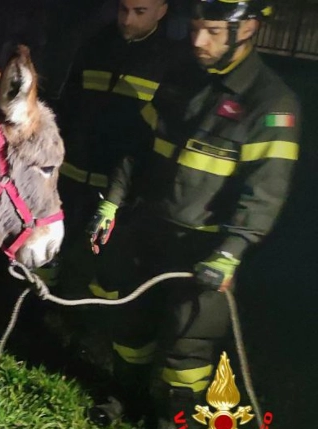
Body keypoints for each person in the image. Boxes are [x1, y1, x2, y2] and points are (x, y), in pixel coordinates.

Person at [85, 0, 299, 427]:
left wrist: (231, 251)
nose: (198, 41)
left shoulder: (271, 104)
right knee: (132, 329)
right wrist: (112, 200)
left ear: (249, 29)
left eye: (214, 32)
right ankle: (123, 399)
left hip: (205, 246)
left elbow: (265, 191)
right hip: (148, 230)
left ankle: (171, 419)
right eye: (197, 28)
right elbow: (138, 148)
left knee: (187, 351)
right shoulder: (180, 78)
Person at [40, 0, 194, 296]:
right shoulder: (95, 44)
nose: (127, 19)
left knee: (103, 265)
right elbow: (70, 104)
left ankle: (87, 326)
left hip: (123, 186)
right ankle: (41, 313)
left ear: (162, 11)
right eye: (123, 9)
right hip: (73, 172)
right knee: (53, 250)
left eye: (139, 12)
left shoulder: (172, 61)